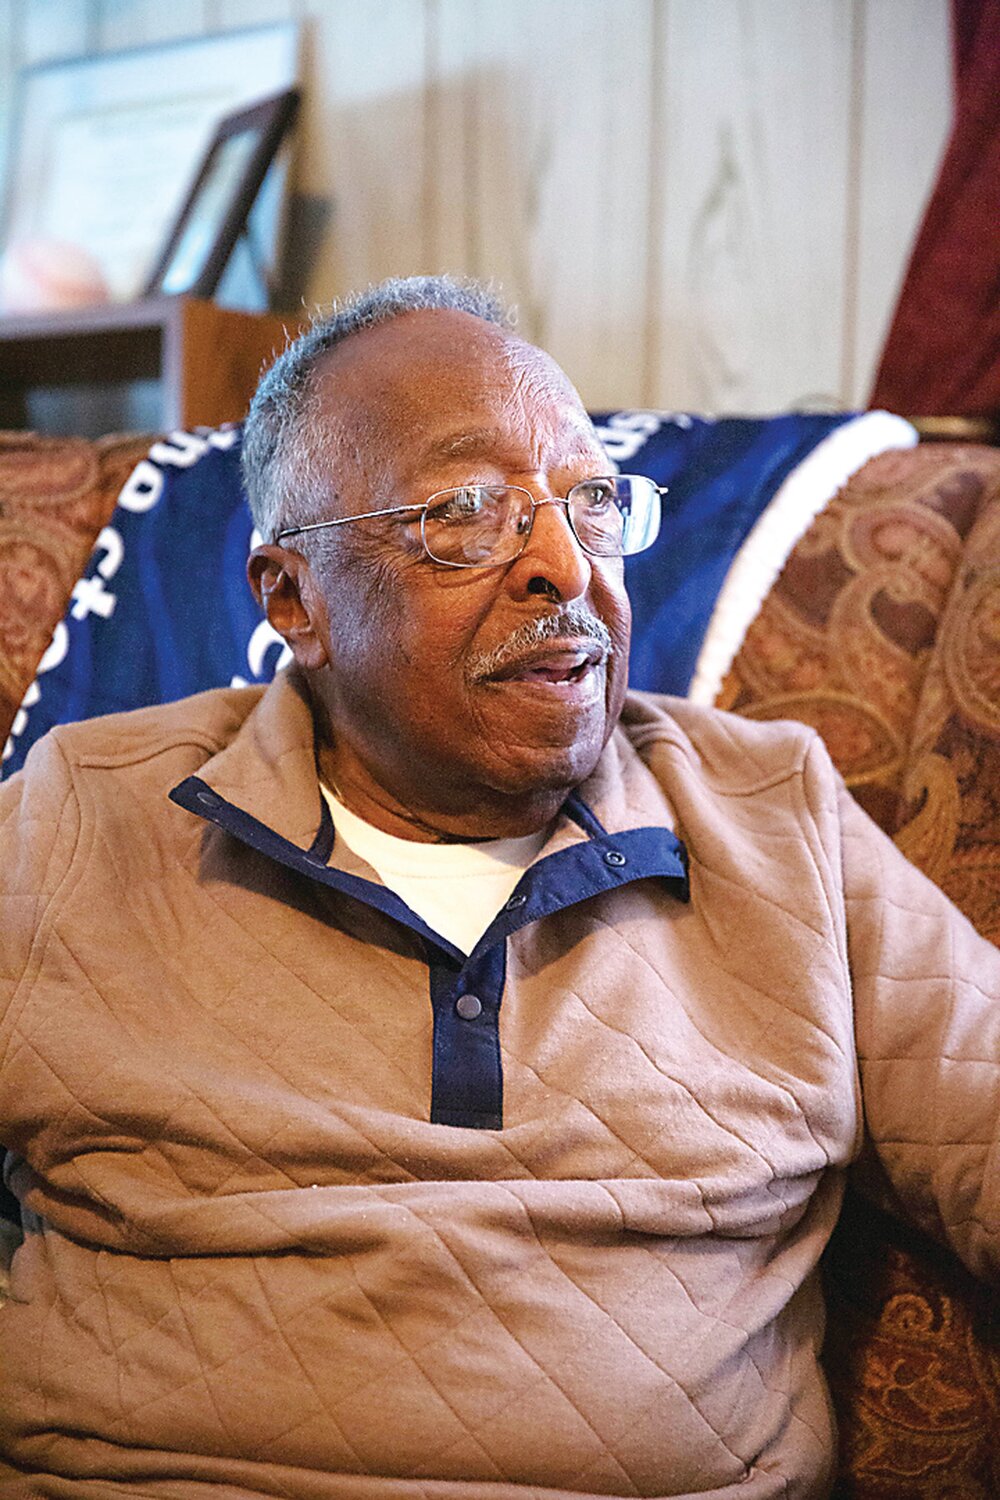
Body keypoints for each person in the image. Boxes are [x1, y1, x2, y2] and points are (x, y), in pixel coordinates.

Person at [0, 274, 997, 1500]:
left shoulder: (769, 812)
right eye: (467, 514)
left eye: (590, 504)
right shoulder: (86, 813)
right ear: (290, 600)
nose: (562, 569)